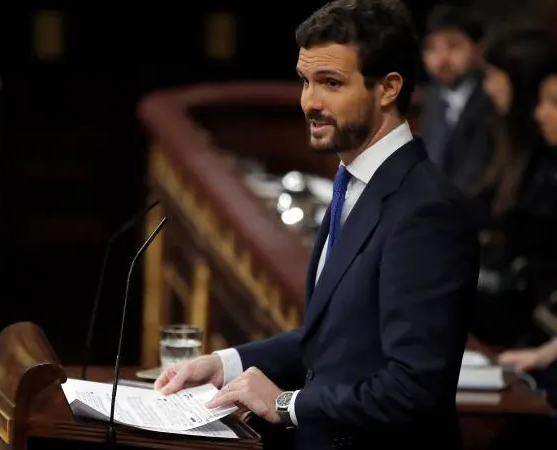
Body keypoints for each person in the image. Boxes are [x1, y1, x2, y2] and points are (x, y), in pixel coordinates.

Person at [155, 0, 480, 448]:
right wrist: (225, 363)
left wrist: (288, 404)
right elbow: (336, 340)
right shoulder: (354, 181)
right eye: (305, 82)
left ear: (387, 89)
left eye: (330, 83)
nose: (309, 102)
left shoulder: (427, 210)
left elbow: (414, 389)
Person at [468, 26, 557, 347]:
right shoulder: (505, 134)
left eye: (494, 76)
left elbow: (525, 233)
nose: (488, 88)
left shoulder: (546, 154)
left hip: (528, 314)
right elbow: (481, 205)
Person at [419, 3, 494, 192]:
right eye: (432, 49)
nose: (441, 59)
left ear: (478, 50)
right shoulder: (433, 96)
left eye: (453, 46)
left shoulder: (492, 98)